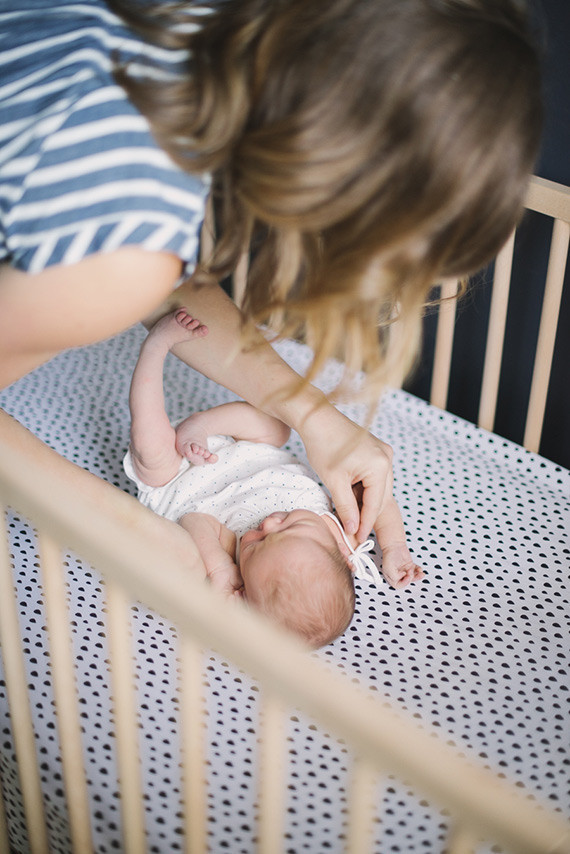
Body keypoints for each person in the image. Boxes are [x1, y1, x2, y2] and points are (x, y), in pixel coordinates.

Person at [0, 0, 543, 545]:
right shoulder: (128, 229)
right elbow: (129, 267)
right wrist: (142, 539)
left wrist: (315, 417)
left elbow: (159, 286)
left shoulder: (193, 27)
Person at [124, 308, 425, 647]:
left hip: (179, 477)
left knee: (151, 453)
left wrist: (222, 571)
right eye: (292, 526)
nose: (267, 525)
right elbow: (378, 499)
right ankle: (203, 424)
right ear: (342, 553)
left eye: (256, 548)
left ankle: (155, 347)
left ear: (245, 588)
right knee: (277, 426)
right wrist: (395, 545)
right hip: (247, 447)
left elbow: (194, 520)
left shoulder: (228, 556)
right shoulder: (345, 532)